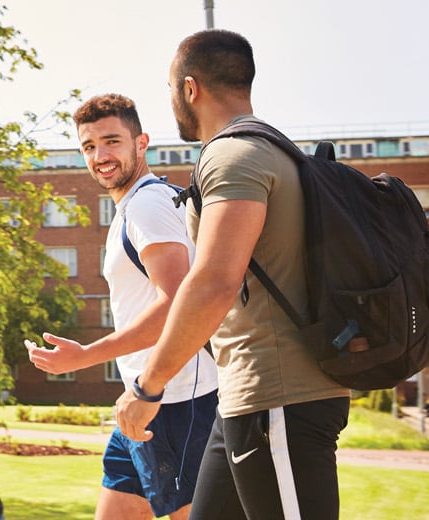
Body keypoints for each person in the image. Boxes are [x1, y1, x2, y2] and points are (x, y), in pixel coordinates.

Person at [114, 29, 353, 520]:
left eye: (170, 88)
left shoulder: (232, 156)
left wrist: (147, 386)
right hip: (246, 398)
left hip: (280, 399)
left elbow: (213, 283)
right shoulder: (275, 149)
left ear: (190, 89)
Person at [26, 93, 219, 520]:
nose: (101, 156)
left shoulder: (148, 204)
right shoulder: (135, 206)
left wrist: (87, 357)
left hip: (175, 402)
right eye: (89, 146)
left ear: (141, 142)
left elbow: (177, 304)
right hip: (142, 398)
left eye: (112, 141)